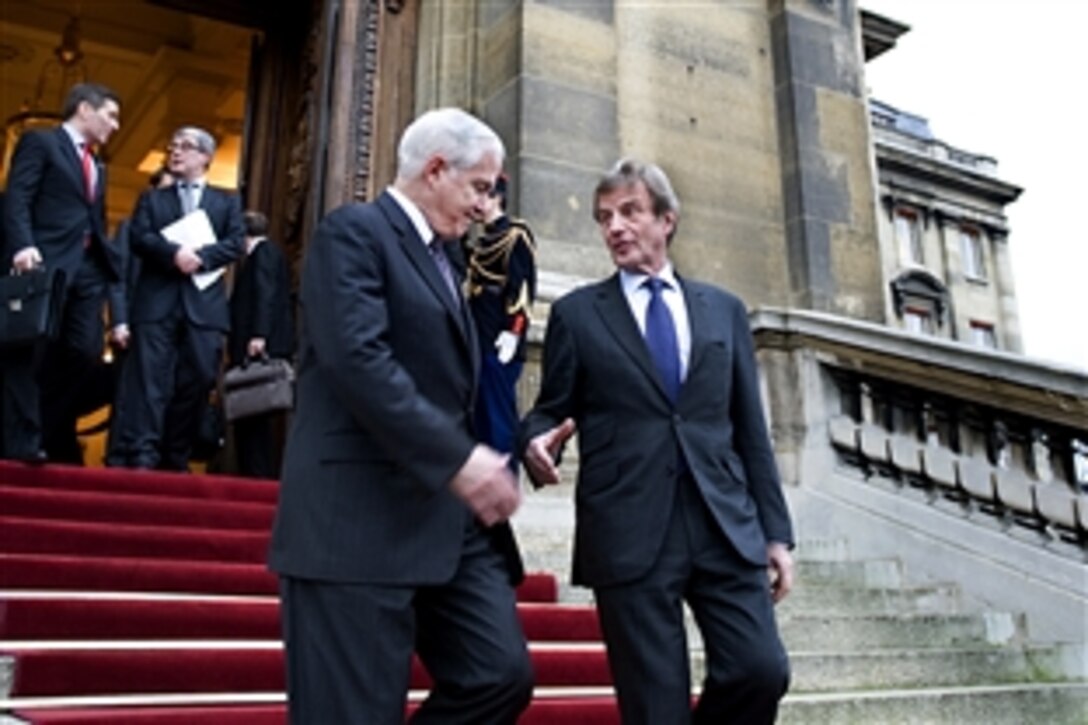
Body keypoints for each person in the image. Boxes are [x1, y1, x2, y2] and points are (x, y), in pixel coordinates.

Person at [267, 107, 533, 724]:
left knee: (499, 674)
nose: (486, 205)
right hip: (354, 522)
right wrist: (460, 460)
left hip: (443, 522)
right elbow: (359, 361)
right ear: (436, 169)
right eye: (480, 187)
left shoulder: (450, 259)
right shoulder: (354, 233)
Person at [521, 158, 795, 724]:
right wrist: (535, 442)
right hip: (628, 527)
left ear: (667, 220)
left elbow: (749, 429)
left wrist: (776, 533)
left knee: (761, 670)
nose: (615, 227)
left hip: (724, 520)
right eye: (604, 218)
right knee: (654, 706)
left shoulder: (723, 310)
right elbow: (550, 408)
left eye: (629, 212)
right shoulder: (578, 314)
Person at [107, 126, 244, 470]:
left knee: (197, 378)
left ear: (206, 157)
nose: (176, 152)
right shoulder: (153, 199)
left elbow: (235, 243)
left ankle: (176, 453)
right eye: (173, 145)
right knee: (149, 381)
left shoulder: (226, 201)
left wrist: (202, 258)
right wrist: (174, 254)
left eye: (186, 147)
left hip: (204, 309)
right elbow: (139, 238)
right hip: (157, 303)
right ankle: (144, 451)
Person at [1, 82, 123, 463]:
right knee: (31, 354)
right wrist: (22, 245)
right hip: (44, 264)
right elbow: (17, 196)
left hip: (87, 272)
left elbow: (95, 220)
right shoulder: (41, 143)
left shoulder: (98, 165)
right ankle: (23, 440)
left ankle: (49, 428)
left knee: (84, 353)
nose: (116, 126)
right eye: (111, 115)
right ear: (85, 110)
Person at [464, 173, 537, 470]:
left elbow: (522, 288)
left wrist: (513, 332)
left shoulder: (516, 235)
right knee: (478, 416)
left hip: (500, 337)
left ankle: (502, 486)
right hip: (477, 333)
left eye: (484, 195)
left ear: (498, 198)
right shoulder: (479, 241)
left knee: (498, 420)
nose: (477, 203)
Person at [227, 210, 294, 478]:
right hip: (257, 342)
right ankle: (254, 472)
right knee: (251, 413)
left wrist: (259, 335)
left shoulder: (263, 253)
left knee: (254, 413)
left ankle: (257, 474)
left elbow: (264, 293)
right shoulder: (264, 254)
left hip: (258, 346)